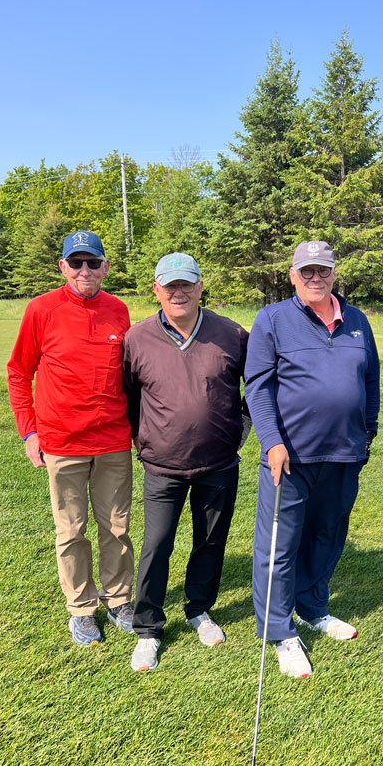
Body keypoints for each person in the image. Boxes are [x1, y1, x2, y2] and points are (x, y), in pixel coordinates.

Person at [244, 241, 380, 678]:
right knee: (279, 545)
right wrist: (271, 441)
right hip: (289, 455)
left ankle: (313, 607)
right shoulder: (272, 320)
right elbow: (258, 387)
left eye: (323, 270)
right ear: (293, 276)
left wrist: (368, 432)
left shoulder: (357, 321)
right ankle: (280, 631)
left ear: (334, 273)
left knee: (327, 535)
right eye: (307, 272)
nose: (315, 278)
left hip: (344, 452)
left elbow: (371, 379)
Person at [122, 252, 250, 672]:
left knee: (210, 541)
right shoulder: (137, 338)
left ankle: (199, 608)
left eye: (186, 284)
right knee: (157, 544)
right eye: (170, 285)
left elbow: (259, 386)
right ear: (156, 290)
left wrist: (240, 430)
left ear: (200, 287)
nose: (178, 292)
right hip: (163, 465)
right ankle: (148, 627)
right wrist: (144, 438)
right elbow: (130, 396)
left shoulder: (232, 333)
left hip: (219, 463)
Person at [7, 230, 135, 647]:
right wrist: (29, 431)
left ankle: (118, 600)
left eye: (92, 262)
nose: (85, 270)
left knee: (116, 527)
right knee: (71, 530)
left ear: (105, 267)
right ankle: (81, 609)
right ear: (63, 266)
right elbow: (18, 372)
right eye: (76, 263)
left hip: (113, 439)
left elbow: (129, 376)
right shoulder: (41, 309)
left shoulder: (118, 310)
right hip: (62, 441)